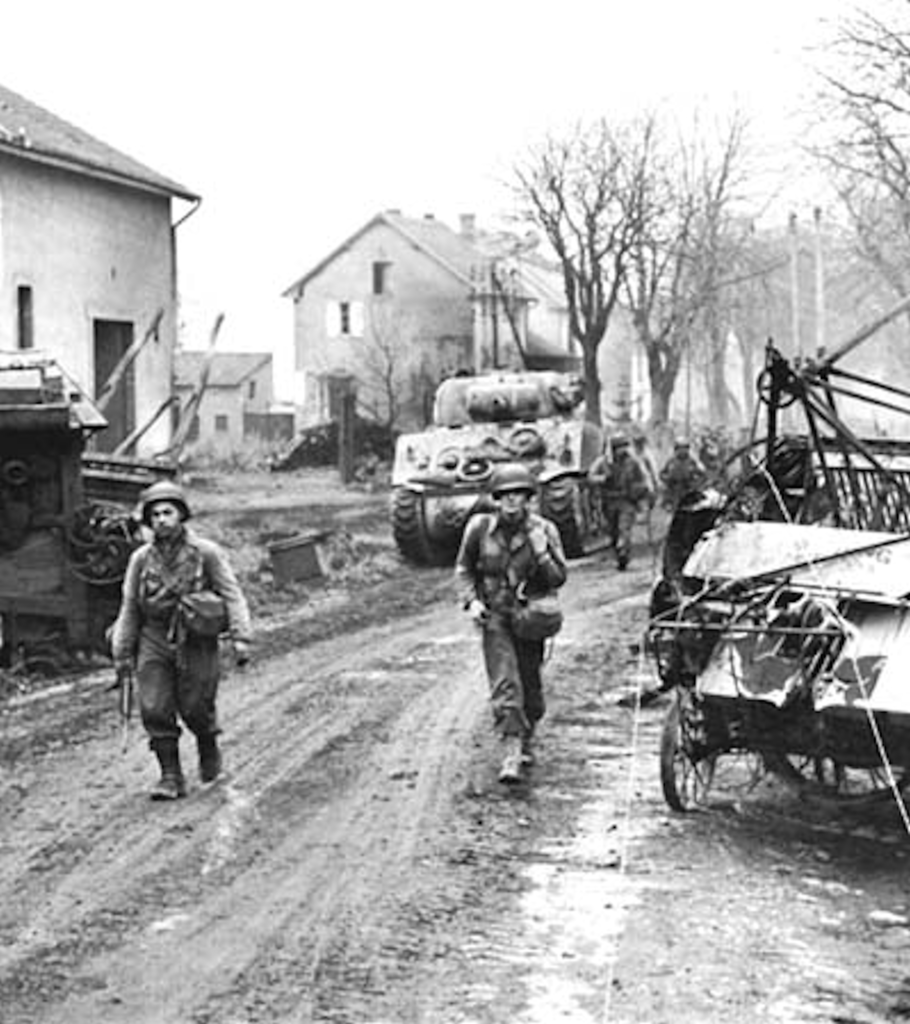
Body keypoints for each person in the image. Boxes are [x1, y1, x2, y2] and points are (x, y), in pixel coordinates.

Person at [109, 480, 252, 800]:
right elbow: (130, 605)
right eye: (155, 514)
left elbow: (232, 595)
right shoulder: (141, 560)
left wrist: (241, 637)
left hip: (196, 639)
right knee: (154, 706)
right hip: (154, 636)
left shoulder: (206, 553)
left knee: (196, 705)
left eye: (168, 512)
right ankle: (170, 776)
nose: (161, 519)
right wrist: (121, 651)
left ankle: (207, 744)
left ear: (181, 515)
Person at [455, 463, 567, 784]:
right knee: (506, 683)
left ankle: (527, 735)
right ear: (496, 499)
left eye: (518, 494)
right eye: (505, 495)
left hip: (529, 618)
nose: (512, 501)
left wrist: (542, 553)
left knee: (531, 686)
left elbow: (559, 578)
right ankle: (511, 752)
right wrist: (472, 601)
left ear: (528, 498)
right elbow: (464, 569)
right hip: (495, 616)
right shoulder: (479, 529)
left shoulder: (543, 530)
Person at [600, 435, 652, 570]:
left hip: (626, 501)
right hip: (610, 502)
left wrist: (643, 495)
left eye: (625, 446)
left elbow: (644, 480)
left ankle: (623, 552)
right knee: (613, 531)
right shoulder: (605, 463)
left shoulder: (634, 462)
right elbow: (591, 477)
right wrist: (604, 478)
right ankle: (619, 553)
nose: (622, 450)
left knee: (624, 529)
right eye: (619, 447)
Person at [659, 440, 708, 512]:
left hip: (687, 490)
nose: (682, 451)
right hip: (673, 490)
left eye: (684, 448)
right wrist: (667, 480)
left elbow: (703, 474)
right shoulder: (671, 461)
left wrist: (695, 484)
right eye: (679, 448)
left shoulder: (692, 461)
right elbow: (662, 474)